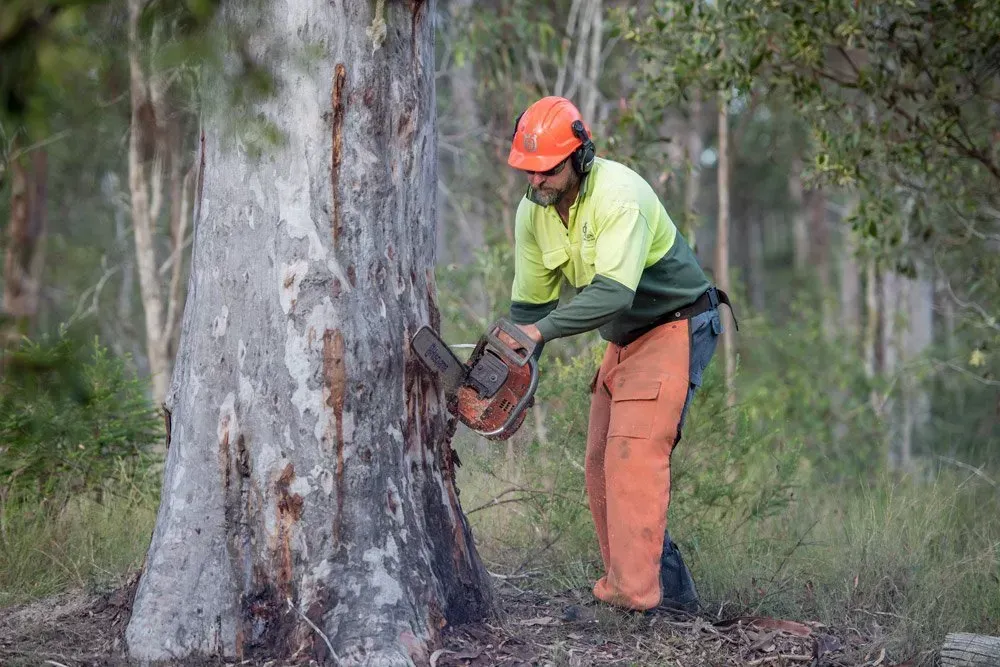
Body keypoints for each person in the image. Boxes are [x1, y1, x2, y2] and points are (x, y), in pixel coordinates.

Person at [505, 96, 734, 612]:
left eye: (548, 170)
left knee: (632, 462)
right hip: (626, 339)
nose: (537, 181)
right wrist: (513, 370)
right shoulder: (532, 213)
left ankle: (634, 601)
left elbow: (612, 294)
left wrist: (537, 336)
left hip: (675, 325)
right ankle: (667, 598)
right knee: (601, 465)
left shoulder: (619, 195)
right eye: (529, 171)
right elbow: (530, 308)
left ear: (580, 157)